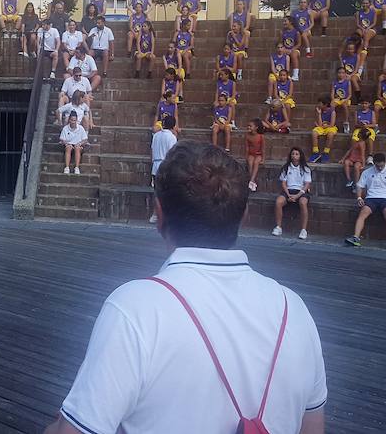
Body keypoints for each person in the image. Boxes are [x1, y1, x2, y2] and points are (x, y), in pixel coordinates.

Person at [44, 140, 326, 434]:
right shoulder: (294, 309)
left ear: (159, 214)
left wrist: (57, 425)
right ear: (244, 216)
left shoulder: (134, 307)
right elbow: (313, 428)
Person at [345, 153, 386, 249]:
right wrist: (359, 198)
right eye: (377, 166)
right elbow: (360, 186)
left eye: (381, 166)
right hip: (371, 198)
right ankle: (355, 237)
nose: (380, 168)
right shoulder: (367, 172)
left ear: (385, 162)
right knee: (363, 212)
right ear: (374, 163)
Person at [272, 147, 311, 240]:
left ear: (300, 156)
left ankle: (303, 230)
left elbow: (307, 185)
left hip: (301, 191)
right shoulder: (286, 168)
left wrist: (297, 196)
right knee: (278, 202)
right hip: (288, 191)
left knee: (303, 202)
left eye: (297, 154)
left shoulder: (306, 169)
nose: (294, 156)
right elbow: (283, 183)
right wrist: (288, 194)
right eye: (293, 154)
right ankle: (278, 227)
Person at [149, 115, 177, 223]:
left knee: (157, 192)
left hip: (155, 166)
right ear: (173, 126)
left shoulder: (156, 136)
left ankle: (155, 214)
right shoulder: (172, 137)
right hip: (166, 166)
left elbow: (152, 151)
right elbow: (172, 154)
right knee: (167, 191)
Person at [309, 97, 337, 164]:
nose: (318, 105)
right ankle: (316, 152)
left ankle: (326, 153)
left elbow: (332, 124)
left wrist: (326, 126)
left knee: (330, 134)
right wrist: (319, 114)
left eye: (320, 103)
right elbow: (320, 124)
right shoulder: (319, 110)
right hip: (321, 127)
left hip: (330, 127)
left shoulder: (332, 111)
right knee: (314, 133)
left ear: (325, 104)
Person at [354, 98, 377, 163]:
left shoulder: (372, 112)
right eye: (363, 103)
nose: (364, 105)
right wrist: (360, 125)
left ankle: (370, 156)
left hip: (369, 128)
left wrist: (367, 126)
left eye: (366, 103)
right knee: (354, 138)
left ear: (369, 104)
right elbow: (355, 124)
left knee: (370, 138)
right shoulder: (357, 112)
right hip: (359, 128)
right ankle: (355, 155)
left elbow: (374, 124)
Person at [245, 119, 264, 192]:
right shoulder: (247, 136)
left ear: (256, 127)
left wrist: (263, 159)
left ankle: (251, 181)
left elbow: (263, 148)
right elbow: (247, 147)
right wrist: (246, 156)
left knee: (256, 163)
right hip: (251, 154)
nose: (248, 127)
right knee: (250, 163)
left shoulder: (260, 136)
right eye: (248, 126)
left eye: (250, 126)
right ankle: (252, 181)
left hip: (258, 154)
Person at [331, 66, 353, 132]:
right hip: (337, 99)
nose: (341, 74)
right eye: (339, 73)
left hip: (345, 99)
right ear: (337, 74)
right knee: (332, 105)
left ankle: (346, 122)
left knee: (344, 105)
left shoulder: (347, 82)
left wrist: (345, 100)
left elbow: (350, 94)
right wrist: (333, 99)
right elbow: (332, 93)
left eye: (343, 73)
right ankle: (332, 122)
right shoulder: (334, 82)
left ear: (345, 74)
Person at [281, 16, 302, 81]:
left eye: (285, 21)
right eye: (283, 21)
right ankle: (284, 75)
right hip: (285, 49)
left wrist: (291, 49)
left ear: (290, 22)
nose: (284, 23)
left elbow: (299, 44)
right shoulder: (283, 32)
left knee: (293, 54)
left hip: (295, 50)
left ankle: (295, 75)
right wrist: (284, 49)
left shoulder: (296, 32)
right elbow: (280, 43)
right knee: (280, 52)